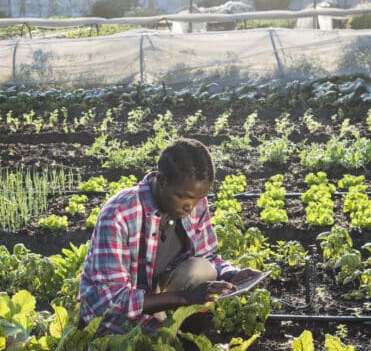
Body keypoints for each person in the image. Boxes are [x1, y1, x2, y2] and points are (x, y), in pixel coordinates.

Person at [77, 138, 265, 334]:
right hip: (113, 321)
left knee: (202, 269)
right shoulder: (119, 214)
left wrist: (232, 275)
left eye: (198, 198)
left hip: (158, 300)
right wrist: (186, 297)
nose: (190, 206)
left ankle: (177, 336)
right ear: (162, 180)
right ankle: (165, 338)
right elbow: (113, 301)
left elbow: (206, 257)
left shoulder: (194, 202)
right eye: (183, 197)